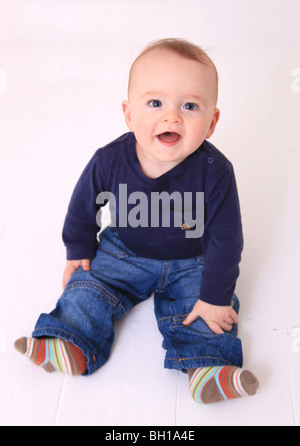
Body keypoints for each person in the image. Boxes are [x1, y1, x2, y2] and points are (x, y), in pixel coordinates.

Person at [15, 38, 259, 404]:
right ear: (129, 114)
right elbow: (85, 204)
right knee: (87, 287)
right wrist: (79, 247)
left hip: (193, 259)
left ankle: (209, 368)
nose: (172, 116)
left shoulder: (215, 172)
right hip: (124, 250)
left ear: (212, 122)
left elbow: (227, 238)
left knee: (207, 312)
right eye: (155, 103)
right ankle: (71, 342)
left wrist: (215, 296)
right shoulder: (109, 160)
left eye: (190, 106)